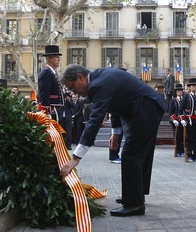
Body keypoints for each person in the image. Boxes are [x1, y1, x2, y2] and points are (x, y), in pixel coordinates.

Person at [59, 65, 166, 217]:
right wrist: (115, 132)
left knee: (130, 155)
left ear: (80, 77)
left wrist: (76, 158)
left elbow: (95, 119)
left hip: (145, 107)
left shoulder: (99, 84)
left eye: (73, 87)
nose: (74, 92)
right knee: (138, 153)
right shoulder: (100, 79)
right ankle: (135, 194)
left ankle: (135, 204)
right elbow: (116, 103)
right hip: (141, 108)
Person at [37, 45, 64, 121]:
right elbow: (44, 93)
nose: (59, 60)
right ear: (50, 58)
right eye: (56, 57)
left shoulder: (51, 72)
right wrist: (46, 110)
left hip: (53, 109)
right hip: (49, 110)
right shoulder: (47, 72)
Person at [179, 78, 196, 162]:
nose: (194, 87)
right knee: (189, 138)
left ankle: (195, 154)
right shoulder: (186, 96)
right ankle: (189, 154)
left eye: (195, 86)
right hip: (189, 119)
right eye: (192, 86)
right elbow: (181, 109)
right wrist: (182, 119)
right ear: (189, 87)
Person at [169, 83, 184, 157]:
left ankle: (183, 150)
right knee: (177, 136)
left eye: (181, 91)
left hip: (183, 120)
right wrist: (174, 120)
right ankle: (178, 150)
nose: (180, 92)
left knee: (183, 136)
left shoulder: (184, 100)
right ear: (176, 92)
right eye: (178, 91)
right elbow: (171, 111)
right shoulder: (173, 101)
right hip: (176, 121)